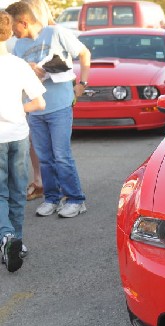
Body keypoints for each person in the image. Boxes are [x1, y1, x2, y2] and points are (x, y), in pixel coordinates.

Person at [6, 1, 90, 218]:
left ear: (23, 22)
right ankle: (51, 198)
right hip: (35, 110)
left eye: (13, 25)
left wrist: (83, 84)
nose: (11, 31)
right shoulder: (18, 46)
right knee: (44, 157)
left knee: (62, 155)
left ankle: (75, 199)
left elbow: (84, 53)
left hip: (59, 105)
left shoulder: (55, 33)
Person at [0, 10, 46, 272]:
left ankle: (6, 237)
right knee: (17, 191)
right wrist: (18, 110)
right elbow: (40, 102)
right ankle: (16, 239)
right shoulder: (18, 65)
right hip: (18, 135)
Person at [22, 0, 55, 202]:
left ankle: (55, 185)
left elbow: (68, 62)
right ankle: (39, 180)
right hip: (29, 95)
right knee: (34, 142)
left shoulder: (53, 33)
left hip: (53, 96)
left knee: (55, 146)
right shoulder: (20, 37)